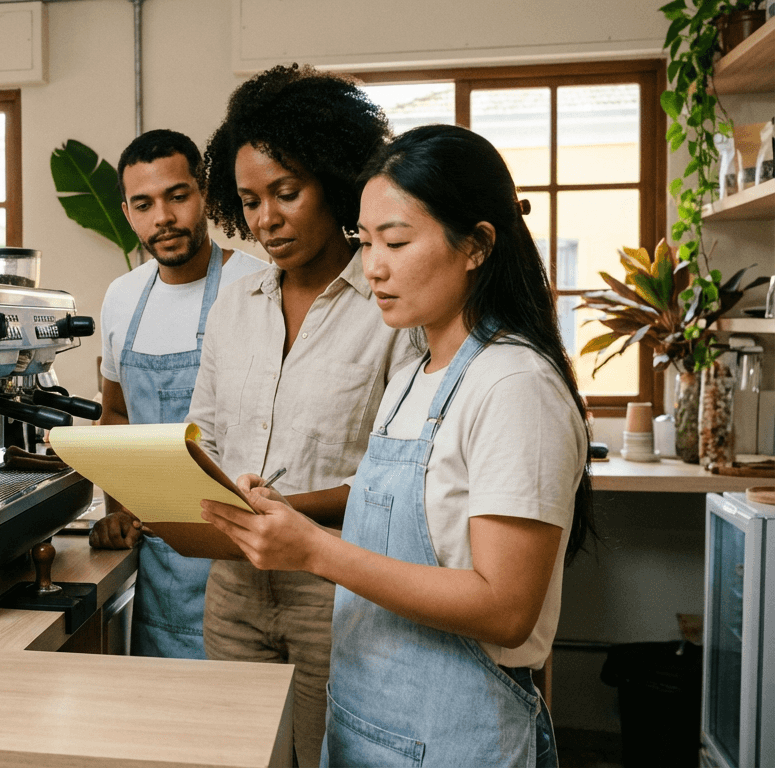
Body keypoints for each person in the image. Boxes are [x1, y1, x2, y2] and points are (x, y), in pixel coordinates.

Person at [201, 124, 596, 767]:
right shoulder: (417, 372)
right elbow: (406, 496)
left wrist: (315, 551)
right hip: (366, 726)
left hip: (452, 741)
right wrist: (285, 510)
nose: (372, 265)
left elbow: (505, 607)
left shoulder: (515, 384)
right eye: (365, 241)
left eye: (397, 241)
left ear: (477, 244)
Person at [188, 65, 418, 766]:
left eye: (287, 193)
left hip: (340, 592)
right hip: (233, 588)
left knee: (331, 756)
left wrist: (285, 510)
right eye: (251, 199)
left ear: (337, 181)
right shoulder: (236, 302)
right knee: (237, 755)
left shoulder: (392, 311)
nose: (266, 219)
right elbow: (206, 435)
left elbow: (400, 478)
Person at [90, 128, 267, 659]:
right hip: (159, 558)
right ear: (127, 212)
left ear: (206, 193)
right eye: (143, 204)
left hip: (241, 552)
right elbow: (116, 413)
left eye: (177, 196)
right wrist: (116, 511)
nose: (162, 217)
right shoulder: (122, 298)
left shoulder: (259, 286)